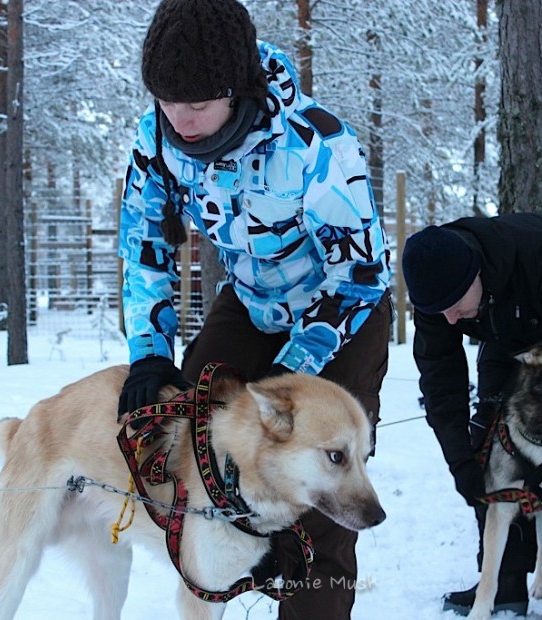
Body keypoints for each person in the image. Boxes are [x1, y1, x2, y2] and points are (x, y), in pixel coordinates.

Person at [116, 0, 392, 618]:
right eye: (166, 100)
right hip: (251, 302)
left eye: (198, 103)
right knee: (184, 427)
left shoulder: (317, 144)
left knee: (314, 467)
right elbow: (146, 253)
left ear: (236, 89)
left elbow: (361, 274)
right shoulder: (154, 142)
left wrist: (287, 386)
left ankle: (311, 595)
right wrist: (149, 356)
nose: (180, 118)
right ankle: (225, 562)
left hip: (342, 313)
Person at [400, 212, 542, 620]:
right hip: (503, 327)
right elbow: (441, 387)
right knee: (488, 436)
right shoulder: (440, 293)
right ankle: (503, 584)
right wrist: (462, 463)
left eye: (453, 307)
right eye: (437, 312)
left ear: (474, 274)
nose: (448, 320)